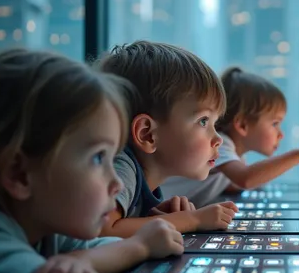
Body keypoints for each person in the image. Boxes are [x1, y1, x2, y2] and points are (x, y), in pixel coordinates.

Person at [0, 49, 184, 273]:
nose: (117, 183)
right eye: (98, 158)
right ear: (19, 175)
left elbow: (103, 249)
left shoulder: (51, 229)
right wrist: (140, 246)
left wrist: (126, 248)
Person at [97, 40, 238, 237]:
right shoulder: (122, 167)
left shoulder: (140, 178)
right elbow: (103, 229)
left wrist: (160, 216)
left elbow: (122, 224)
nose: (218, 139)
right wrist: (192, 220)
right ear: (148, 134)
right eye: (204, 121)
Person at [162, 67, 299, 207]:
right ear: (242, 125)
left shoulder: (233, 154)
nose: (281, 134)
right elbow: (246, 179)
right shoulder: (219, 145)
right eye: (274, 123)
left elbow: (232, 184)